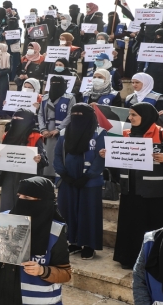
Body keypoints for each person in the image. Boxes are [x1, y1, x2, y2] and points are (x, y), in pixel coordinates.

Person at [0, 177, 71, 305]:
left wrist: (42, 270)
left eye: (28, 198)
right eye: (19, 196)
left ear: (43, 201)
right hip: (2, 295)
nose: (21, 201)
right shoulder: (7, 220)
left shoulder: (55, 231)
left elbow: (66, 273)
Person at [102, 103, 163, 269]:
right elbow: (118, 162)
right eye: (129, 115)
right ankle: (128, 258)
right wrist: (109, 156)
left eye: (133, 115)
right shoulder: (125, 134)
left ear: (145, 116)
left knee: (154, 227)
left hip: (155, 192)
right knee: (130, 227)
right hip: (130, 190)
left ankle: (153, 260)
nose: (130, 118)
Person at [54, 104, 105, 259]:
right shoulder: (64, 132)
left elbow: (101, 157)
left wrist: (88, 176)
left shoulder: (99, 132)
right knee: (67, 211)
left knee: (88, 212)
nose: (77, 116)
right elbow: (57, 155)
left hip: (89, 180)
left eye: (81, 113)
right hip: (68, 179)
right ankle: (73, 242)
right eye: (74, 113)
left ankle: (89, 245)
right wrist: (64, 175)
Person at [0, 109, 48, 211]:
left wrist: (38, 159)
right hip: (8, 177)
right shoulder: (7, 135)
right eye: (14, 118)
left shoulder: (36, 136)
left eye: (19, 118)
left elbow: (44, 160)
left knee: (24, 208)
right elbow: (2, 155)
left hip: (26, 178)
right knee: (7, 206)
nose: (16, 120)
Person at [39, 76, 75, 177]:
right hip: (47, 130)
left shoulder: (70, 97)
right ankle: (46, 176)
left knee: (59, 153)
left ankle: (58, 175)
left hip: (63, 130)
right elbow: (40, 114)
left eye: (57, 83)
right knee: (47, 153)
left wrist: (59, 129)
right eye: (53, 82)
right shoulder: (45, 97)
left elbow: (70, 115)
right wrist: (43, 129)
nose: (55, 85)